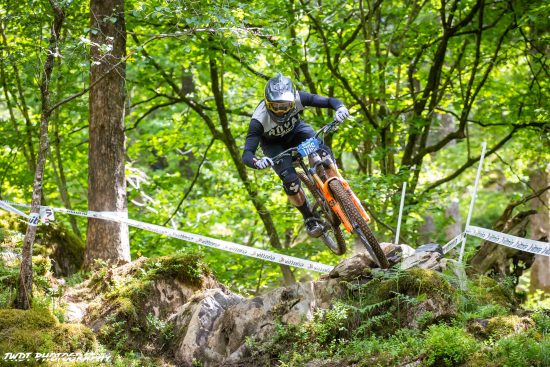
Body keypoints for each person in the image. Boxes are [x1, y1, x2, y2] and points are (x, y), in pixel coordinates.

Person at [241, 73, 350, 237]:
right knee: (291, 182)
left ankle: (338, 186)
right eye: (275, 106)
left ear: (292, 100)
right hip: (274, 147)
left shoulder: (299, 97)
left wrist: (340, 108)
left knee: (322, 151)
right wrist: (257, 162)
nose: (280, 111)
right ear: (266, 103)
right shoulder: (259, 119)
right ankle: (309, 218)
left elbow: (329, 101)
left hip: (297, 133)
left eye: (285, 106)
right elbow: (247, 153)